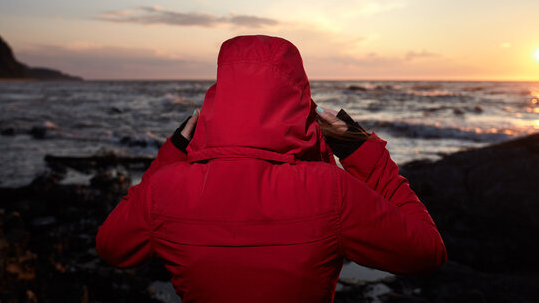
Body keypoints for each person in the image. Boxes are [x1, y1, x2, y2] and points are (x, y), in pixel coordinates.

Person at [96, 35, 447, 303]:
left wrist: (173, 153)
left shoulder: (165, 189)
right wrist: (358, 149)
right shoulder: (330, 190)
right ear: (298, 99)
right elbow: (427, 251)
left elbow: (112, 247)